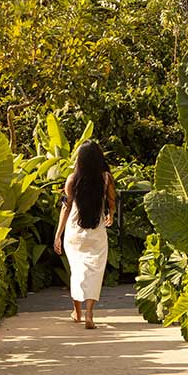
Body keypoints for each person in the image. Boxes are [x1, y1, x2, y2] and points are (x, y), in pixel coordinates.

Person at [53, 140, 116, 329]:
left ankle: (77, 312)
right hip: (96, 232)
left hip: (74, 232)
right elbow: (112, 202)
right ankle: (89, 314)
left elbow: (65, 208)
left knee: (77, 271)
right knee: (94, 273)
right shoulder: (106, 178)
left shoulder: (72, 179)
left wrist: (58, 235)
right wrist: (110, 215)